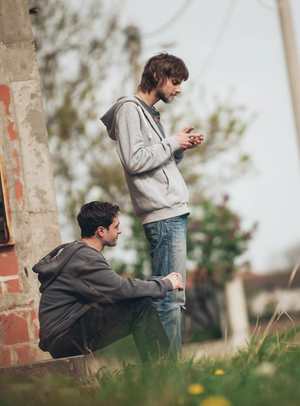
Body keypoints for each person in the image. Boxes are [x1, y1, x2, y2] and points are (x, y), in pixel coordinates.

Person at [100, 52, 204, 357]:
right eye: (175, 81)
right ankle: (167, 376)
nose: (179, 89)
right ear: (157, 77)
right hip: (163, 215)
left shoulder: (149, 113)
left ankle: (165, 374)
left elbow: (156, 159)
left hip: (171, 212)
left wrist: (180, 146)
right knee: (170, 298)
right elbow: (135, 160)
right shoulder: (130, 110)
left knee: (171, 296)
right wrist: (172, 142)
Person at [32, 201, 184, 363]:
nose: (120, 231)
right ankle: (164, 372)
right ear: (101, 231)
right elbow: (120, 289)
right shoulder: (84, 258)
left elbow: (116, 287)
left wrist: (157, 281)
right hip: (63, 336)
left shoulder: (81, 254)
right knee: (139, 305)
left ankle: (159, 372)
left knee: (137, 301)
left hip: (65, 330)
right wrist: (165, 284)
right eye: (116, 226)